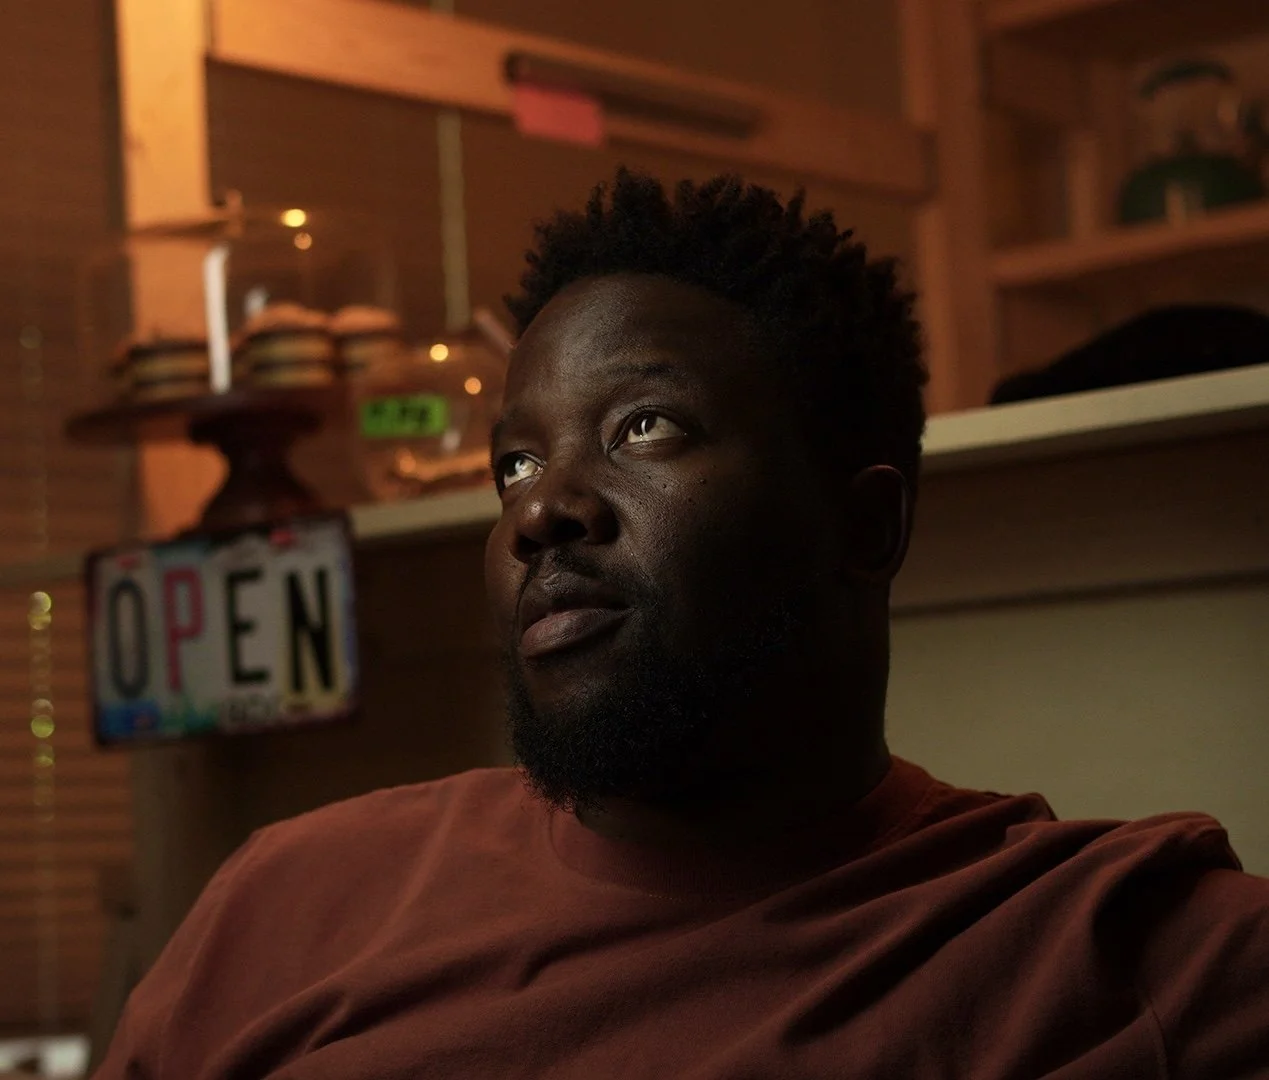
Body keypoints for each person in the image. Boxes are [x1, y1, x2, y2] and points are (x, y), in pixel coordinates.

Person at [95, 171, 1268, 1079]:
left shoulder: (1110, 945)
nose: (542, 508)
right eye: (515, 462)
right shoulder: (289, 903)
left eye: (645, 429)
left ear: (864, 525)